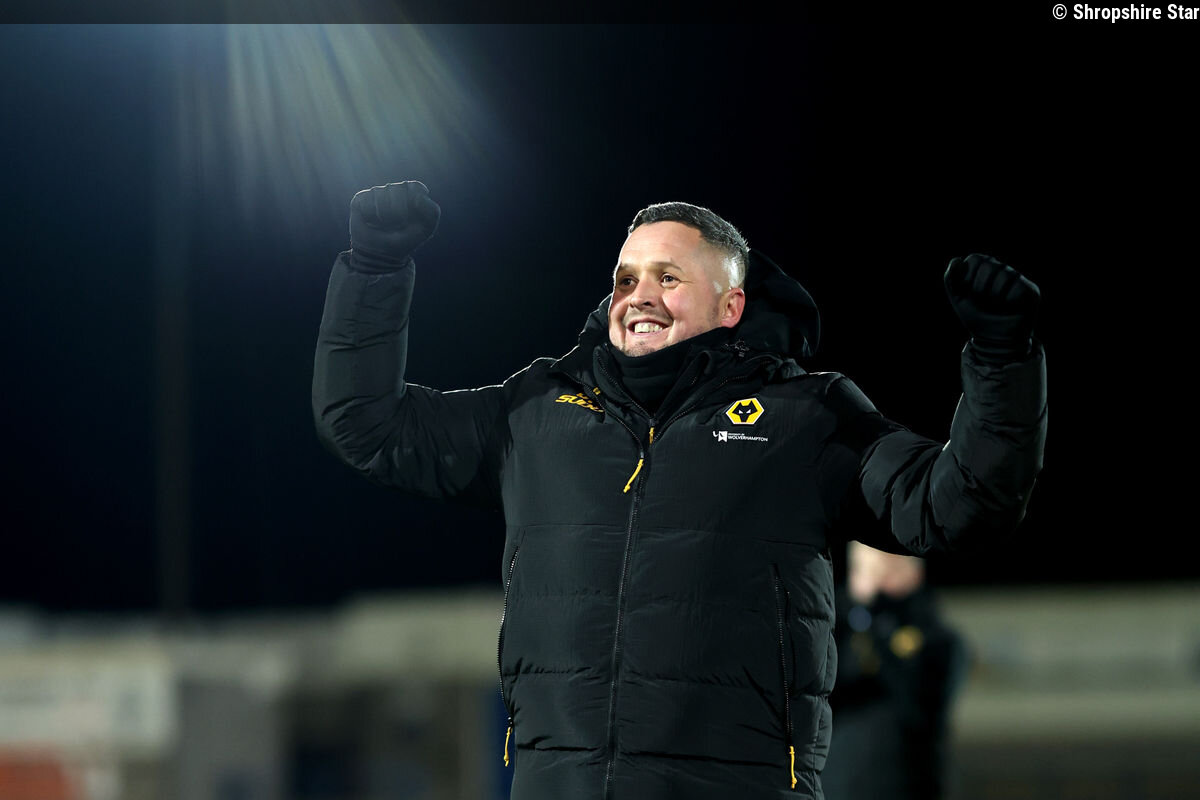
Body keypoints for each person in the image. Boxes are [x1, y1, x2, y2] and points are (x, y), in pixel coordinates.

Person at [311, 180, 1047, 800]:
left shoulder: (806, 417)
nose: (640, 296)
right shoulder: (536, 410)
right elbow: (367, 426)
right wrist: (375, 269)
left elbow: (958, 505)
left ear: (731, 307)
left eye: (669, 278)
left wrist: (1001, 359)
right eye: (626, 279)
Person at [822, 542, 968, 800]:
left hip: (908, 786)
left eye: (888, 570)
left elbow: (922, 705)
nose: (877, 583)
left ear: (914, 572)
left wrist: (881, 624)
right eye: (867, 571)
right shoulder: (833, 635)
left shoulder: (937, 639)